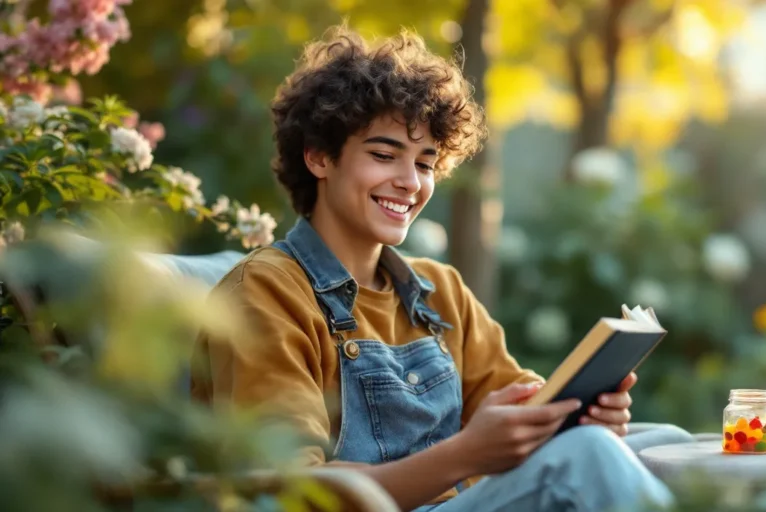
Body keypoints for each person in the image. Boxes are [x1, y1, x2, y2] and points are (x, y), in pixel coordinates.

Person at [191, 24, 690, 512]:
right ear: (320, 157)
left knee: (668, 442)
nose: (410, 182)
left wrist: (578, 417)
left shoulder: (439, 291)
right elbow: (290, 495)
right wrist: (467, 453)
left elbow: (518, 412)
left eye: (426, 163)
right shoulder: (267, 293)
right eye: (385, 154)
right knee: (587, 459)